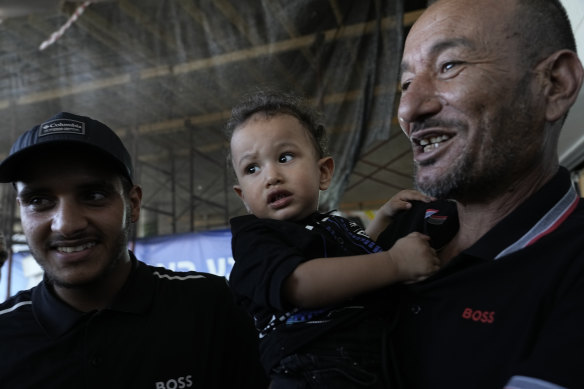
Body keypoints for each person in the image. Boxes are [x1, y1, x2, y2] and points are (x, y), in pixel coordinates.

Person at [378, 0, 584, 388]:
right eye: (406, 83)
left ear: (555, 84)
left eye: (449, 65)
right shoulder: (405, 224)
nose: (408, 109)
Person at [0, 112, 268, 388]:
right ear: (22, 211)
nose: (67, 225)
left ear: (134, 204)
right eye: (39, 200)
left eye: (93, 196)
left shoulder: (211, 308)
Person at [225, 91, 443, 388]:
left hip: (370, 365)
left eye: (285, 157)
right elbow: (301, 284)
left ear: (323, 172)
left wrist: (383, 218)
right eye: (252, 168)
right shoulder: (255, 240)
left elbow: (349, 262)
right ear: (244, 198)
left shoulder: (330, 226)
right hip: (309, 373)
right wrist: (395, 262)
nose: (271, 176)